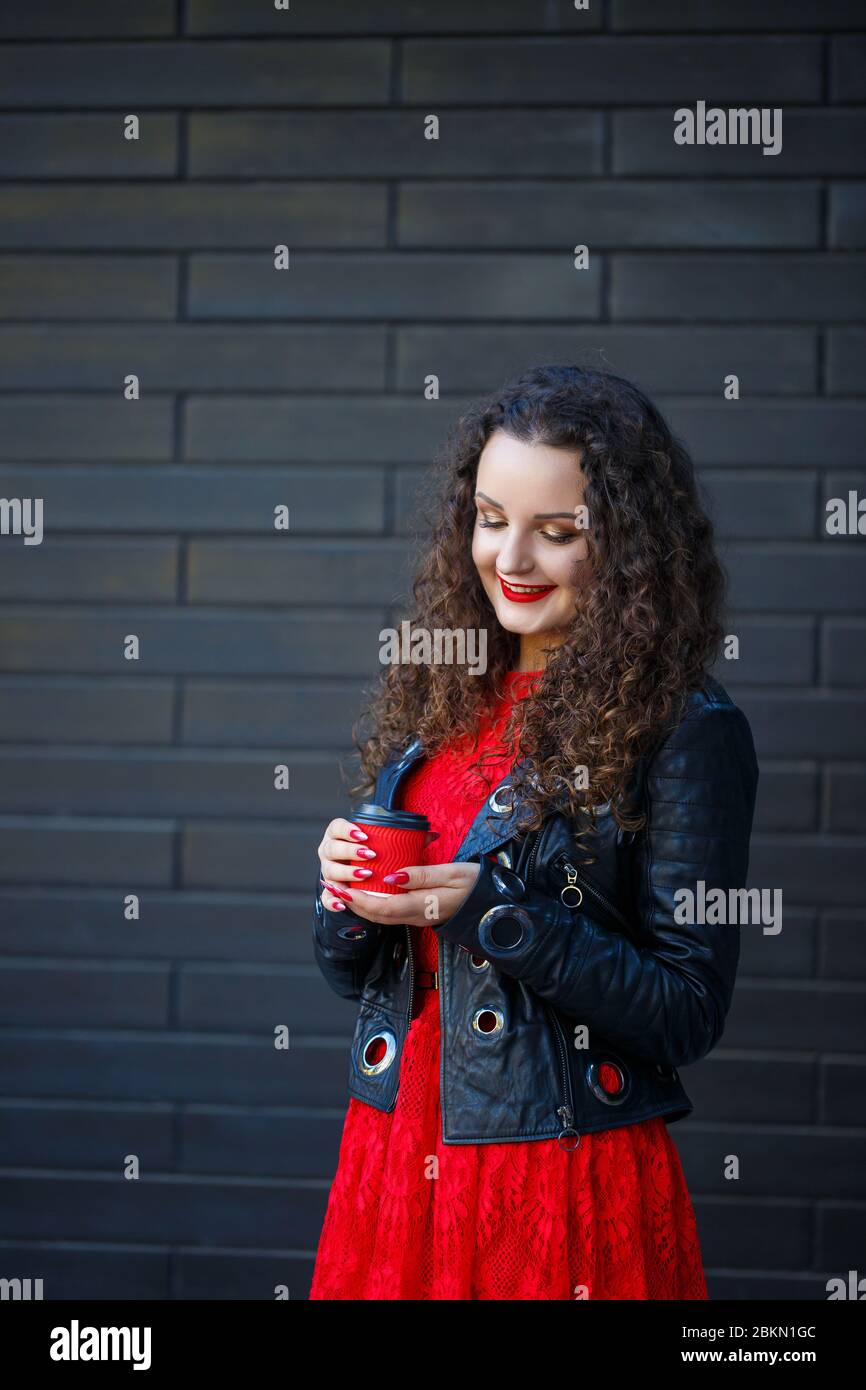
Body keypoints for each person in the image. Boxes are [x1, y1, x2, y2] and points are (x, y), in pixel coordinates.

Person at [309, 364, 759, 1301]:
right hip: (396, 1156)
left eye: (558, 533)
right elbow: (365, 976)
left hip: (553, 1168)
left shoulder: (686, 727)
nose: (510, 558)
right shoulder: (443, 696)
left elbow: (685, 1009)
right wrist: (343, 896)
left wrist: (498, 914)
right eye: (489, 517)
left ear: (631, 550)